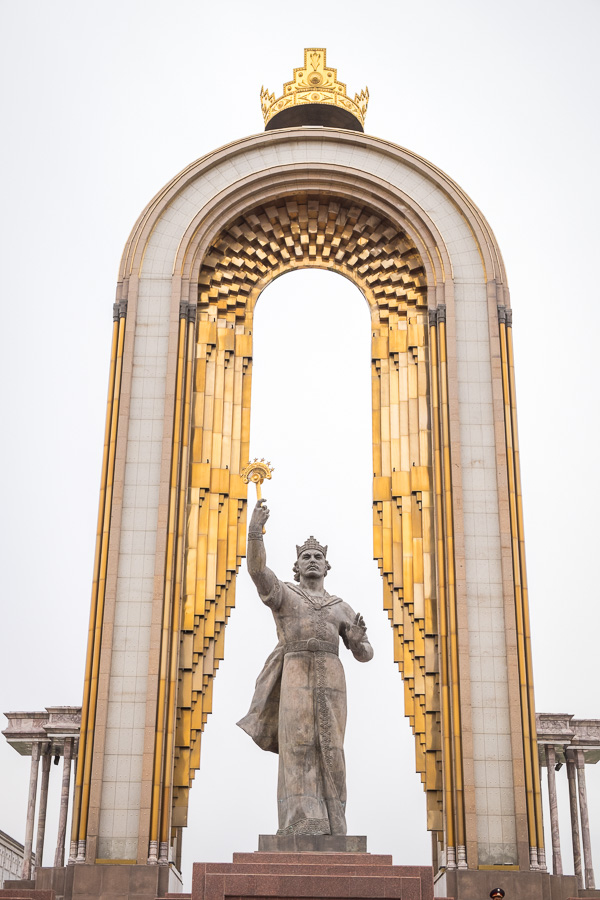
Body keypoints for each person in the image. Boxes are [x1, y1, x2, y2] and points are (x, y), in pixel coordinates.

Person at [237, 498, 373, 837]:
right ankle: (301, 821)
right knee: (297, 745)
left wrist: (356, 641)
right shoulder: (285, 594)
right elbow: (257, 571)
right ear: (297, 566)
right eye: (306, 557)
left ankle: (334, 823)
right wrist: (255, 530)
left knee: (330, 748)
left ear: (327, 567)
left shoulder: (340, 607)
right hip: (295, 670)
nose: (312, 561)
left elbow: (366, 654)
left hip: (332, 674)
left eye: (318, 557)